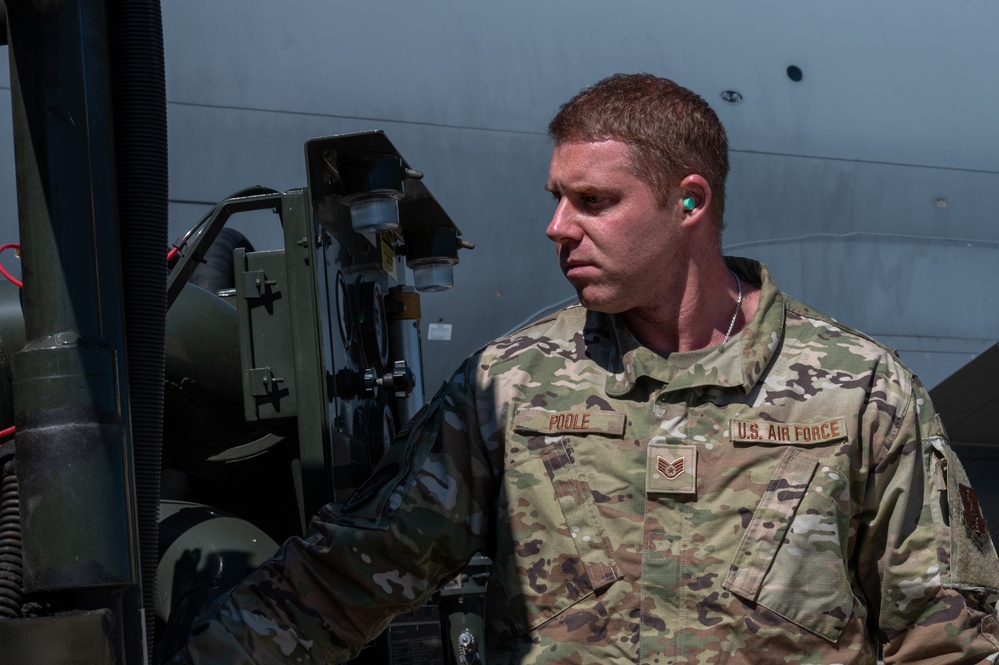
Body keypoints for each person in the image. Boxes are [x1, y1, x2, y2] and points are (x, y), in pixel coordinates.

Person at [173, 73, 999, 664]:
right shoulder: (511, 388)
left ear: (688, 202)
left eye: (593, 201)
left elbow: (946, 637)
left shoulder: (857, 392)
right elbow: (342, 578)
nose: (556, 227)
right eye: (555, 197)